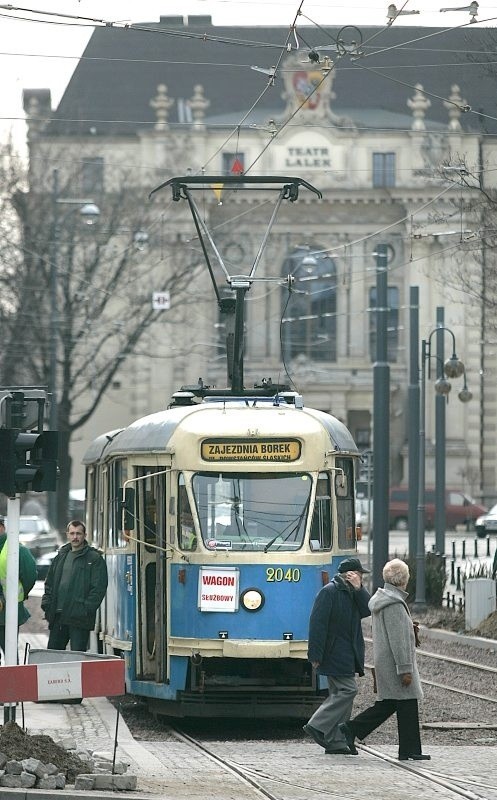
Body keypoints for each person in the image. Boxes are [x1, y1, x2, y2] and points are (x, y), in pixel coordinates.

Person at [339, 558, 430, 761]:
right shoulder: (394, 604)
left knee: (391, 704)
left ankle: (353, 729)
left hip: (387, 661)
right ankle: (409, 749)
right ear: (404, 579)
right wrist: (405, 669)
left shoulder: (384, 598)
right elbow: (399, 641)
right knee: (405, 702)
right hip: (396, 664)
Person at [303, 556, 371, 755]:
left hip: (348, 653)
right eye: (359, 575)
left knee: (341, 697)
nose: (362, 578)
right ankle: (317, 724)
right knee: (348, 691)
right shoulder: (329, 592)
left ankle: (336, 740)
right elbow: (317, 625)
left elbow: (368, 609)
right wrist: (314, 655)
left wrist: (359, 589)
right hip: (334, 653)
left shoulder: (352, 593)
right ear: (350, 575)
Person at [42, 519, 108, 652]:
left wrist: (85, 609)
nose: (75, 537)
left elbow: (99, 588)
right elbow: (49, 583)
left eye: (78, 533)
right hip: (58, 617)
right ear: (67, 534)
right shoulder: (60, 557)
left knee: (77, 659)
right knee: (51, 657)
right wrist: (47, 604)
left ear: (85, 535)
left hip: (79, 619)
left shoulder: (94, 559)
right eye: (72, 533)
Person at [0, 516, 37, 663]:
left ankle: (12, 685)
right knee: (10, 655)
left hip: (7, 613)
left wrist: (18, 595)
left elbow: (29, 575)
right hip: (8, 612)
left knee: (9, 654)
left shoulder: (15, 548)